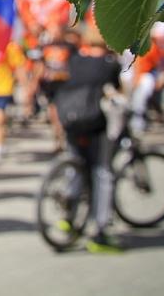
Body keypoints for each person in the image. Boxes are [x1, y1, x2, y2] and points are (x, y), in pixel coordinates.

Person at [54, 26, 123, 254]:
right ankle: (100, 231)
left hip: (71, 121)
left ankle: (68, 214)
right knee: (102, 172)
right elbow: (118, 90)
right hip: (94, 122)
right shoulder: (109, 64)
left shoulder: (75, 60)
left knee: (75, 166)